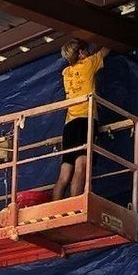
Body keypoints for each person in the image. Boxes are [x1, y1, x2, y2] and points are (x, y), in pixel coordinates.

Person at [52, 40, 107, 200]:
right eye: (86, 51)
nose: (89, 53)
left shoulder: (66, 73)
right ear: (82, 53)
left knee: (64, 174)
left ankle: (56, 208)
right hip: (85, 120)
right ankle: (75, 207)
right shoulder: (88, 64)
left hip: (69, 124)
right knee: (81, 166)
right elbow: (107, 48)